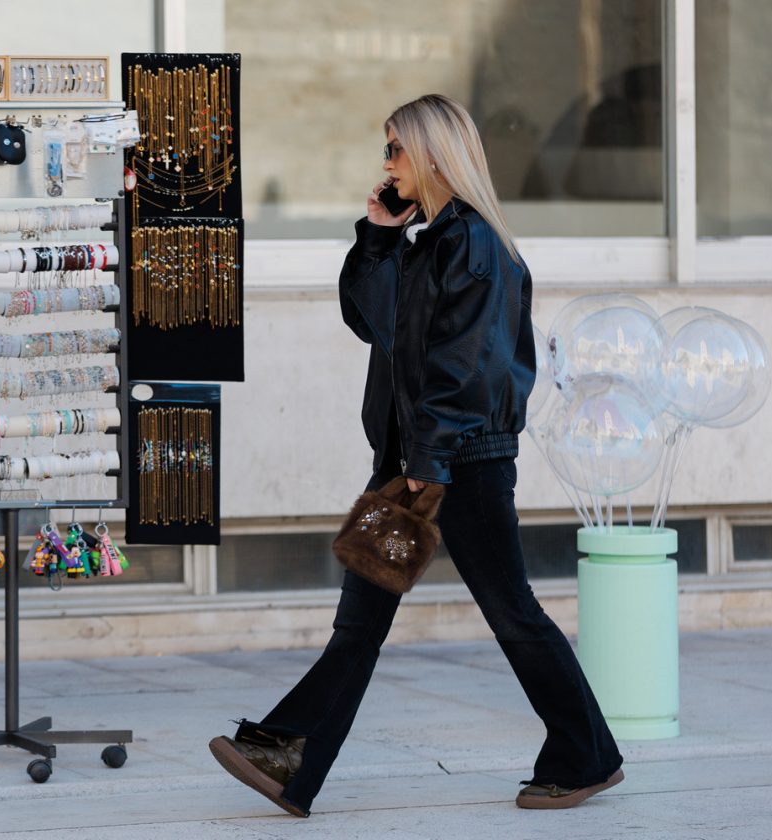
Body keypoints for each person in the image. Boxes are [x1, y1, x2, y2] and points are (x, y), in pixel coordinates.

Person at [208, 94, 624, 818]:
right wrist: (378, 235)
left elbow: (468, 366)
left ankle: (587, 756)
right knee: (360, 622)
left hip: (460, 464)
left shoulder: (477, 245)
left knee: (512, 613)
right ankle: (288, 756)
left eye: (396, 148)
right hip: (416, 460)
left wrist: (428, 464)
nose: (387, 162)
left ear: (433, 153)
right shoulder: (429, 241)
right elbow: (370, 319)